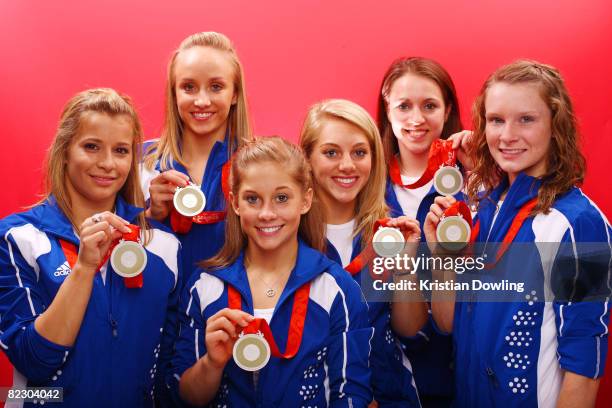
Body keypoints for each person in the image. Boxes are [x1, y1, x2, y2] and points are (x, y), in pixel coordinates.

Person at [424, 60, 611, 407]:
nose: (506, 135)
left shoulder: (579, 224)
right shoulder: (483, 210)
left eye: (526, 119)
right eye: (496, 120)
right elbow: (448, 324)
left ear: (556, 126)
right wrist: (443, 258)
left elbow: (585, 363)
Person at [0, 88, 181, 407]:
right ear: (65, 150)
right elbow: (34, 361)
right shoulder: (18, 238)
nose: (107, 164)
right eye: (92, 147)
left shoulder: (164, 248)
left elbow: (166, 374)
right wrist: (83, 269)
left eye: (121, 150)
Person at [171, 136, 373, 407]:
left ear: (305, 200)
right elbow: (185, 398)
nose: (267, 214)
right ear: (235, 203)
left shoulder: (337, 287)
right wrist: (211, 363)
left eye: (281, 198)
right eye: (252, 199)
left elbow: (352, 395)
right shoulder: (205, 287)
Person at [300, 99, 425, 407]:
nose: (347, 165)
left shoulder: (391, 230)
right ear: (306, 159)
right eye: (331, 153)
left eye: (359, 152)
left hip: (390, 396)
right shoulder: (288, 234)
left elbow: (410, 329)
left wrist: (406, 268)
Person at [377, 57, 470, 407]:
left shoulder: (476, 181)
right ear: (387, 110)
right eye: (404, 106)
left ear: (447, 112)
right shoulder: (363, 182)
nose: (416, 119)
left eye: (429, 105)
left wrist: (485, 180)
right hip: (387, 378)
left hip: (464, 375)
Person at [142, 31, 252, 282]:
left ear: (234, 94)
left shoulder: (260, 165)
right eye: (189, 87)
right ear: (174, 92)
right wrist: (151, 217)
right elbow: (112, 265)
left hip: (233, 316)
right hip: (157, 318)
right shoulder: (135, 162)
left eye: (216, 87)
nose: (202, 101)